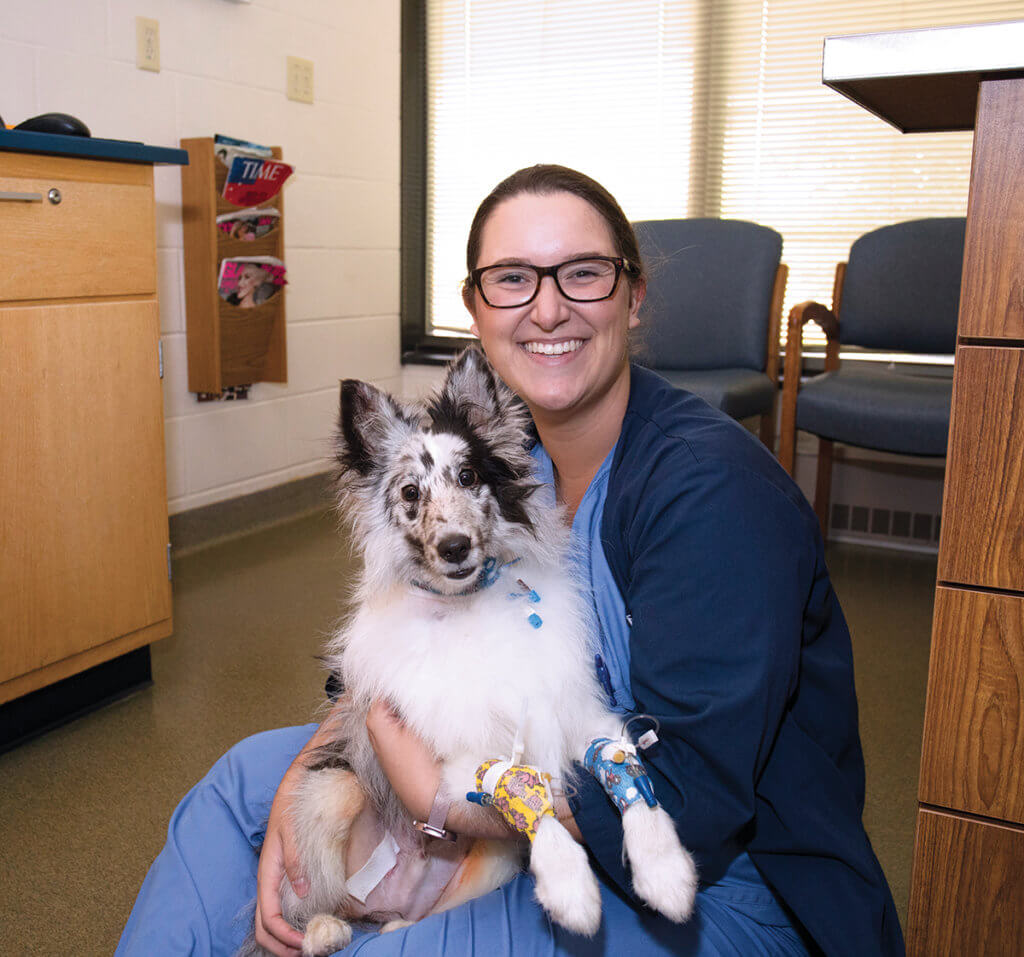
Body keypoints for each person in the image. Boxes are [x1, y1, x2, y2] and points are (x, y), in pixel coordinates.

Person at [117, 165, 903, 956]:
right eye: (513, 279)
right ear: (475, 309)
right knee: (243, 782)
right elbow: (413, 628)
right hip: (521, 788)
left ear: (634, 297)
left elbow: (690, 797)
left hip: (708, 879)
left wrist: (438, 798)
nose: (548, 307)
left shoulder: (711, 493)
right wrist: (314, 761)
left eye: (585, 274)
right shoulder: (504, 458)